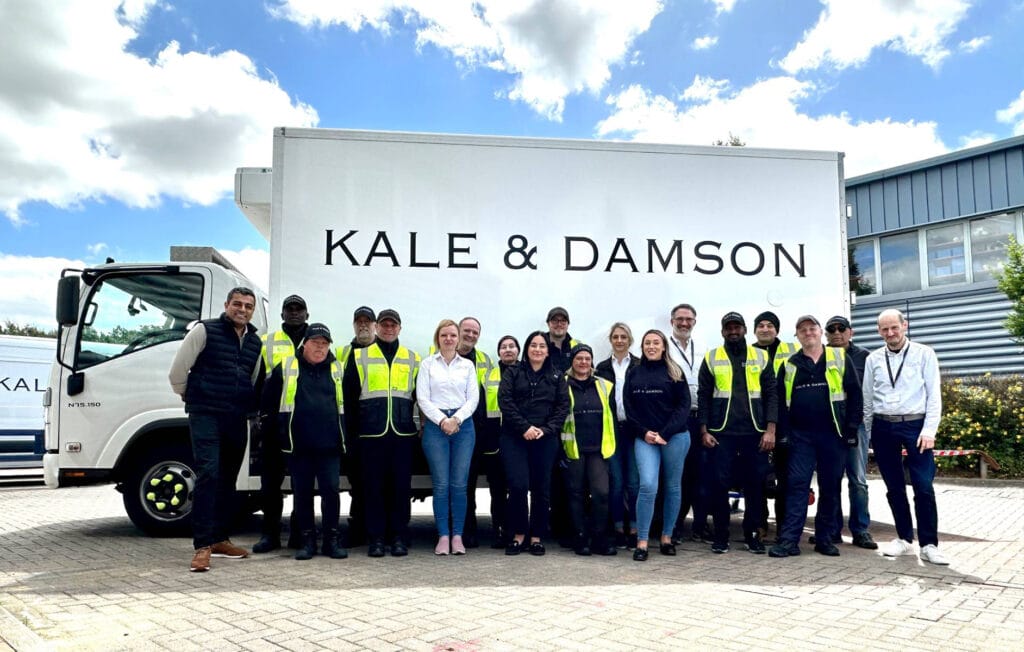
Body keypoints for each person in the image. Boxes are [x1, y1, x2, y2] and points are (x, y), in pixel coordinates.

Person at [168, 287, 264, 572]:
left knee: (228, 479)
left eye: (248, 306)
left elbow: (252, 377)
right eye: (237, 304)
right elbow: (177, 373)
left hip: (236, 417)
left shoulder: (255, 343)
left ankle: (220, 538)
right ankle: (202, 546)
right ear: (226, 305)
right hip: (206, 414)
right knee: (208, 474)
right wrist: (194, 396)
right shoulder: (204, 331)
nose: (242, 310)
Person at [768, 315, 862, 558]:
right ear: (797, 336)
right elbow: (780, 403)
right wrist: (784, 434)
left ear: (820, 332)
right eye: (802, 330)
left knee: (830, 488)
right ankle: (789, 541)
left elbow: (855, 395)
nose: (808, 333)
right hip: (801, 437)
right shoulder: (790, 365)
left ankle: (824, 539)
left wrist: (851, 430)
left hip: (834, 435)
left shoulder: (840, 358)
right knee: (796, 486)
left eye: (812, 329)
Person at [863, 309, 948, 565]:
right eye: (884, 329)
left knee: (923, 487)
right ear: (879, 331)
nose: (890, 333)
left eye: (894, 328)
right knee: (894, 488)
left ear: (905, 326)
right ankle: (903, 538)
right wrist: (868, 435)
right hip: (883, 427)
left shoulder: (924, 354)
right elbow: (868, 399)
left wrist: (929, 430)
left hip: (915, 426)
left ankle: (929, 544)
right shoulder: (873, 359)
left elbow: (934, 395)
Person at [261, 323, 348, 561]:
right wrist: (275, 432)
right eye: (315, 343)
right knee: (302, 494)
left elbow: (347, 404)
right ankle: (307, 540)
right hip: (299, 444)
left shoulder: (338, 368)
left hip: (330, 444)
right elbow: (269, 400)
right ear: (305, 344)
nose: (320, 348)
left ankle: (331, 540)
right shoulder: (287, 367)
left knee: (331, 491)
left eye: (324, 344)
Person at [342, 308, 421, 558]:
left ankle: (398, 536)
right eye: (384, 325)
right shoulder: (359, 357)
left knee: (400, 488)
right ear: (377, 328)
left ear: (399, 328)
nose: (388, 329)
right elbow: (349, 399)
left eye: (393, 325)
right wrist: (352, 436)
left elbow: (423, 398)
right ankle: (376, 538)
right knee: (373, 489)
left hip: (402, 435)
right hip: (370, 436)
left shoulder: (412, 358)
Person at [698, 311, 778, 555]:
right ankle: (721, 535)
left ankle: (752, 534)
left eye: (737, 327)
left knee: (754, 486)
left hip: (755, 433)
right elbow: (704, 396)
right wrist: (703, 429)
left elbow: (772, 394)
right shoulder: (712, 357)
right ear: (723, 331)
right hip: (722, 434)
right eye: (728, 328)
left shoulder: (761, 356)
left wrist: (771, 430)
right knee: (719, 485)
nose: (733, 332)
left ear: (744, 330)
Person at [498, 331, 570, 556]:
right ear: (527, 349)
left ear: (548, 351)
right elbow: (505, 401)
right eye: (533, 345)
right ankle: (519, 534)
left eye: (542, 346)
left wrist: (544, 430)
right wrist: (525, 428)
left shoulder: (557, 377)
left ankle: (537, 536)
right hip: (514, 438)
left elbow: (562, 408)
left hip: (545, 439)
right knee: (518, 486)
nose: (537, 349)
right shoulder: (512, 373)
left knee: (541, 488)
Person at [625, 329, 691, 561]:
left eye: (656, 343)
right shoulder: (634, 373)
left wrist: (664, 433)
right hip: (646, 439)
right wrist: (646, 434)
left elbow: (684, 406)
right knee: (648, 486)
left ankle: (666, 537)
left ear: (664, 347)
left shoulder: (675, 371)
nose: (651, 346)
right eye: (647, 343)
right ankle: (642, 542)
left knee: (672, 487)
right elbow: (629, 410)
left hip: (675, 437)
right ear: (642, 347)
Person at [417, 319, 479, 556]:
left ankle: (457, 536)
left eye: (453, 335)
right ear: (438, 338)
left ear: (458, 338)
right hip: (435, 427)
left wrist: (457, 419)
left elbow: (473, 398)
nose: (449, 339)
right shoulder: (428, 365)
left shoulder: (467, 366)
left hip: (463, 428)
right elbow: (423, 398)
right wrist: (443, 420)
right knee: (441, 485)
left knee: (459, 486)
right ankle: (443, 536)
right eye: (445, 335)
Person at [253, 294, 309, 554]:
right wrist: (257, 417)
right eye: (290, 309)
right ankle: (270, 534)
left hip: (304, 423)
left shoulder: (317, 341)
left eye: (299, 309)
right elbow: (256, 382)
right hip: (274, 423)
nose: (295, 313)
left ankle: (298, 533)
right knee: (270, 484)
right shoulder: (268, 341)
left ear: (307, 314)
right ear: (282, 314)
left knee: (302, 482)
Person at [822, 315, 877, 550]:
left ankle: (860, 530)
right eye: (831, 329)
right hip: (829, 426)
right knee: (830, 480)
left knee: (857, 480)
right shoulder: (820, 356)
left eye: (841, 328)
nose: (836, 333)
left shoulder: (865, 357)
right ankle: (832, 530)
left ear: (850, 332)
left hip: (857, 426)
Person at [562, 344, 618, 556]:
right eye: (579, 358)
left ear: (592, 362)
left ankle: (600, 537)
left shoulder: (604, 386)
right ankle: (580, 537)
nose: (583, 362)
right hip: (574, 448)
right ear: (572, 362)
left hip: (599, 448)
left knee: (601, 493)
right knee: (576, 494)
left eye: (587, 358)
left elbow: (612, 416)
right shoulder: (562, 385)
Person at [457, 317, 507, 549]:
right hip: (457, 430)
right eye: (466, 330)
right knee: (465, 485)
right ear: (458, 331)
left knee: (496, 486)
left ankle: (499, 529)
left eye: (475, 332)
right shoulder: (444, 355)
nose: (470, 335)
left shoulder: (486, 361)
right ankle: (467, 531)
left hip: (483, 433)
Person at [751, 310, 799, 541]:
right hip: (756, 424)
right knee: (758, 477)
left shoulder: (792, 350)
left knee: (785, 479)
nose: (765, 329)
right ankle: (760, 526)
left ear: (777, 329)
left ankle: (783, 528)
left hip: (786, 424)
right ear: (754, 330)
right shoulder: (748, 352)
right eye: (760, 325)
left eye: (770, 325)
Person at [666, 303, 708, 543]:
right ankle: (676, 525)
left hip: (700, 418)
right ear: (672, 321)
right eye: (680, 319)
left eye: (689, 319)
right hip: (676, 420)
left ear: (695, 321)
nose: (684, 323)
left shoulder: (703, 347)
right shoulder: (664, 347)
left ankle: (700, 525)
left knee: (701, 474)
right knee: (677, 475)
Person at [595, 322, 640, 549]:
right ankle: (617, 527)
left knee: (633, 483)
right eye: (616, 337)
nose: (620, 340)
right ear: (611, 340)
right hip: (611, 433)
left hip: (634, 432)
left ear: (630, 340)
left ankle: (634, 527)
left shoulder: (640, 366)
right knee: (616, 483)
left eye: (624, 337)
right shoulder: (601, 368)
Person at [337, 306, 377, 547]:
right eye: (358, 321)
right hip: (350, 429)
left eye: (367, 321)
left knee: (373, 482)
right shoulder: (342, 353)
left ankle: (373, 529)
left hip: (375, 429)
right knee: (356, 482)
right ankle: (357, 528)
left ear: (374, 325)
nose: (363, 325)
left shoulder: (380, 352)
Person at [543, 306, 580, 374]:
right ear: (548, 324)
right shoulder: (539, 346)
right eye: (555, 321)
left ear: (568, 324)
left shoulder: (578, 347)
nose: (559, 324)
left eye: (563, 321)